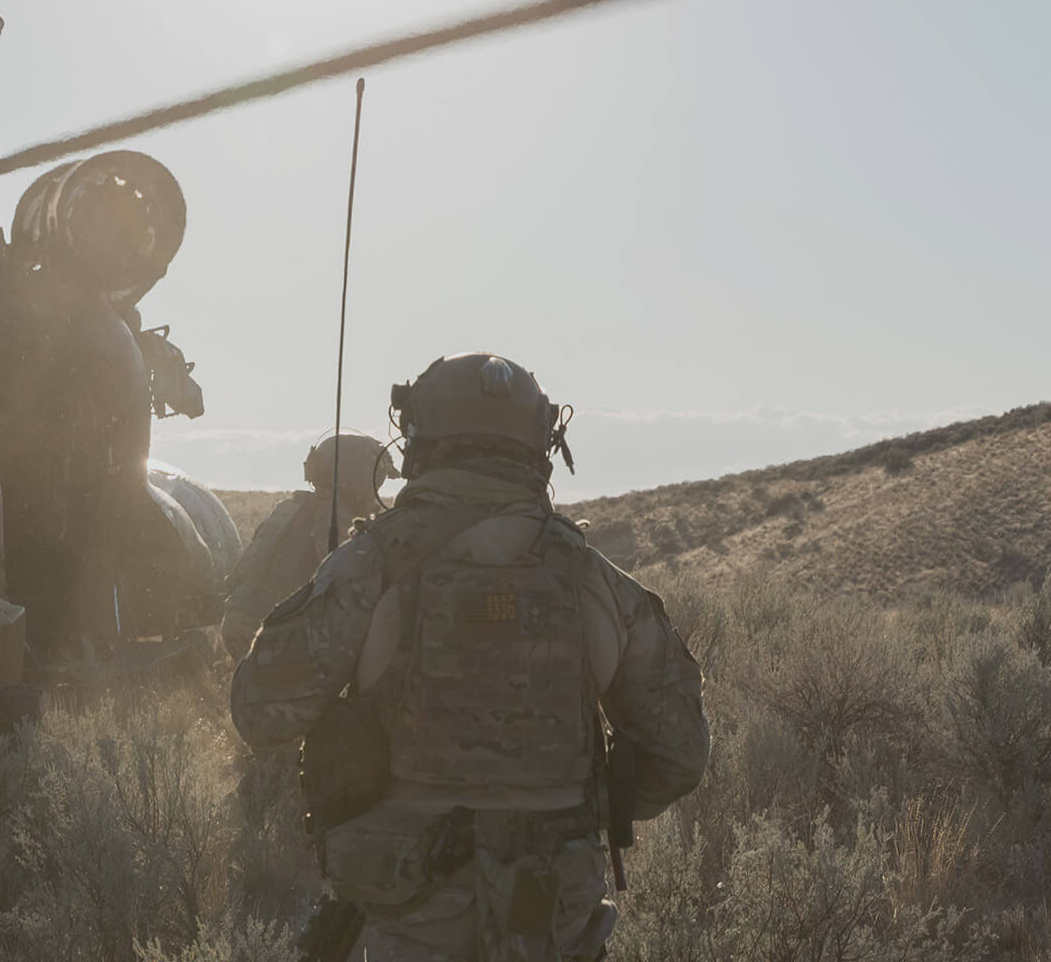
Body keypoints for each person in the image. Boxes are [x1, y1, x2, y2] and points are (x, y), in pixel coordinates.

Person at [231, 353, 709, 962]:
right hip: (554, 921)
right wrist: (573, 812)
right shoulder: (593, 581)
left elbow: (259, 712)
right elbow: (681, 753)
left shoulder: (372, 566)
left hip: (409, 916)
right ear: (541, 443)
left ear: (418, 439)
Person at [222, 432, 394, 660]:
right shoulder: (332, 516)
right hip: (273, 631)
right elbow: (349, 577)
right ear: (359, 477)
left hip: (239, 620)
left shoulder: (289, 507)